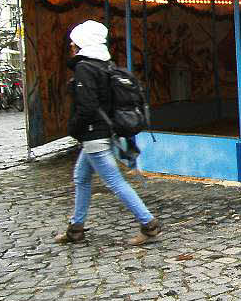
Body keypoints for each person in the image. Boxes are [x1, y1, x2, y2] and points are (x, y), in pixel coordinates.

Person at [54, 20, 161, 246]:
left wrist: (73, 129)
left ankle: (149, 224)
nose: (71, 46)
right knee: (81, 177)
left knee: (114, 181)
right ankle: (76, 228)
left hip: (93, 136)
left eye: (74, 42)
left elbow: (87, 106)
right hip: (102, 133)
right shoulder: (105, 65)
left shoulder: (84, 68)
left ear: (82, 43)